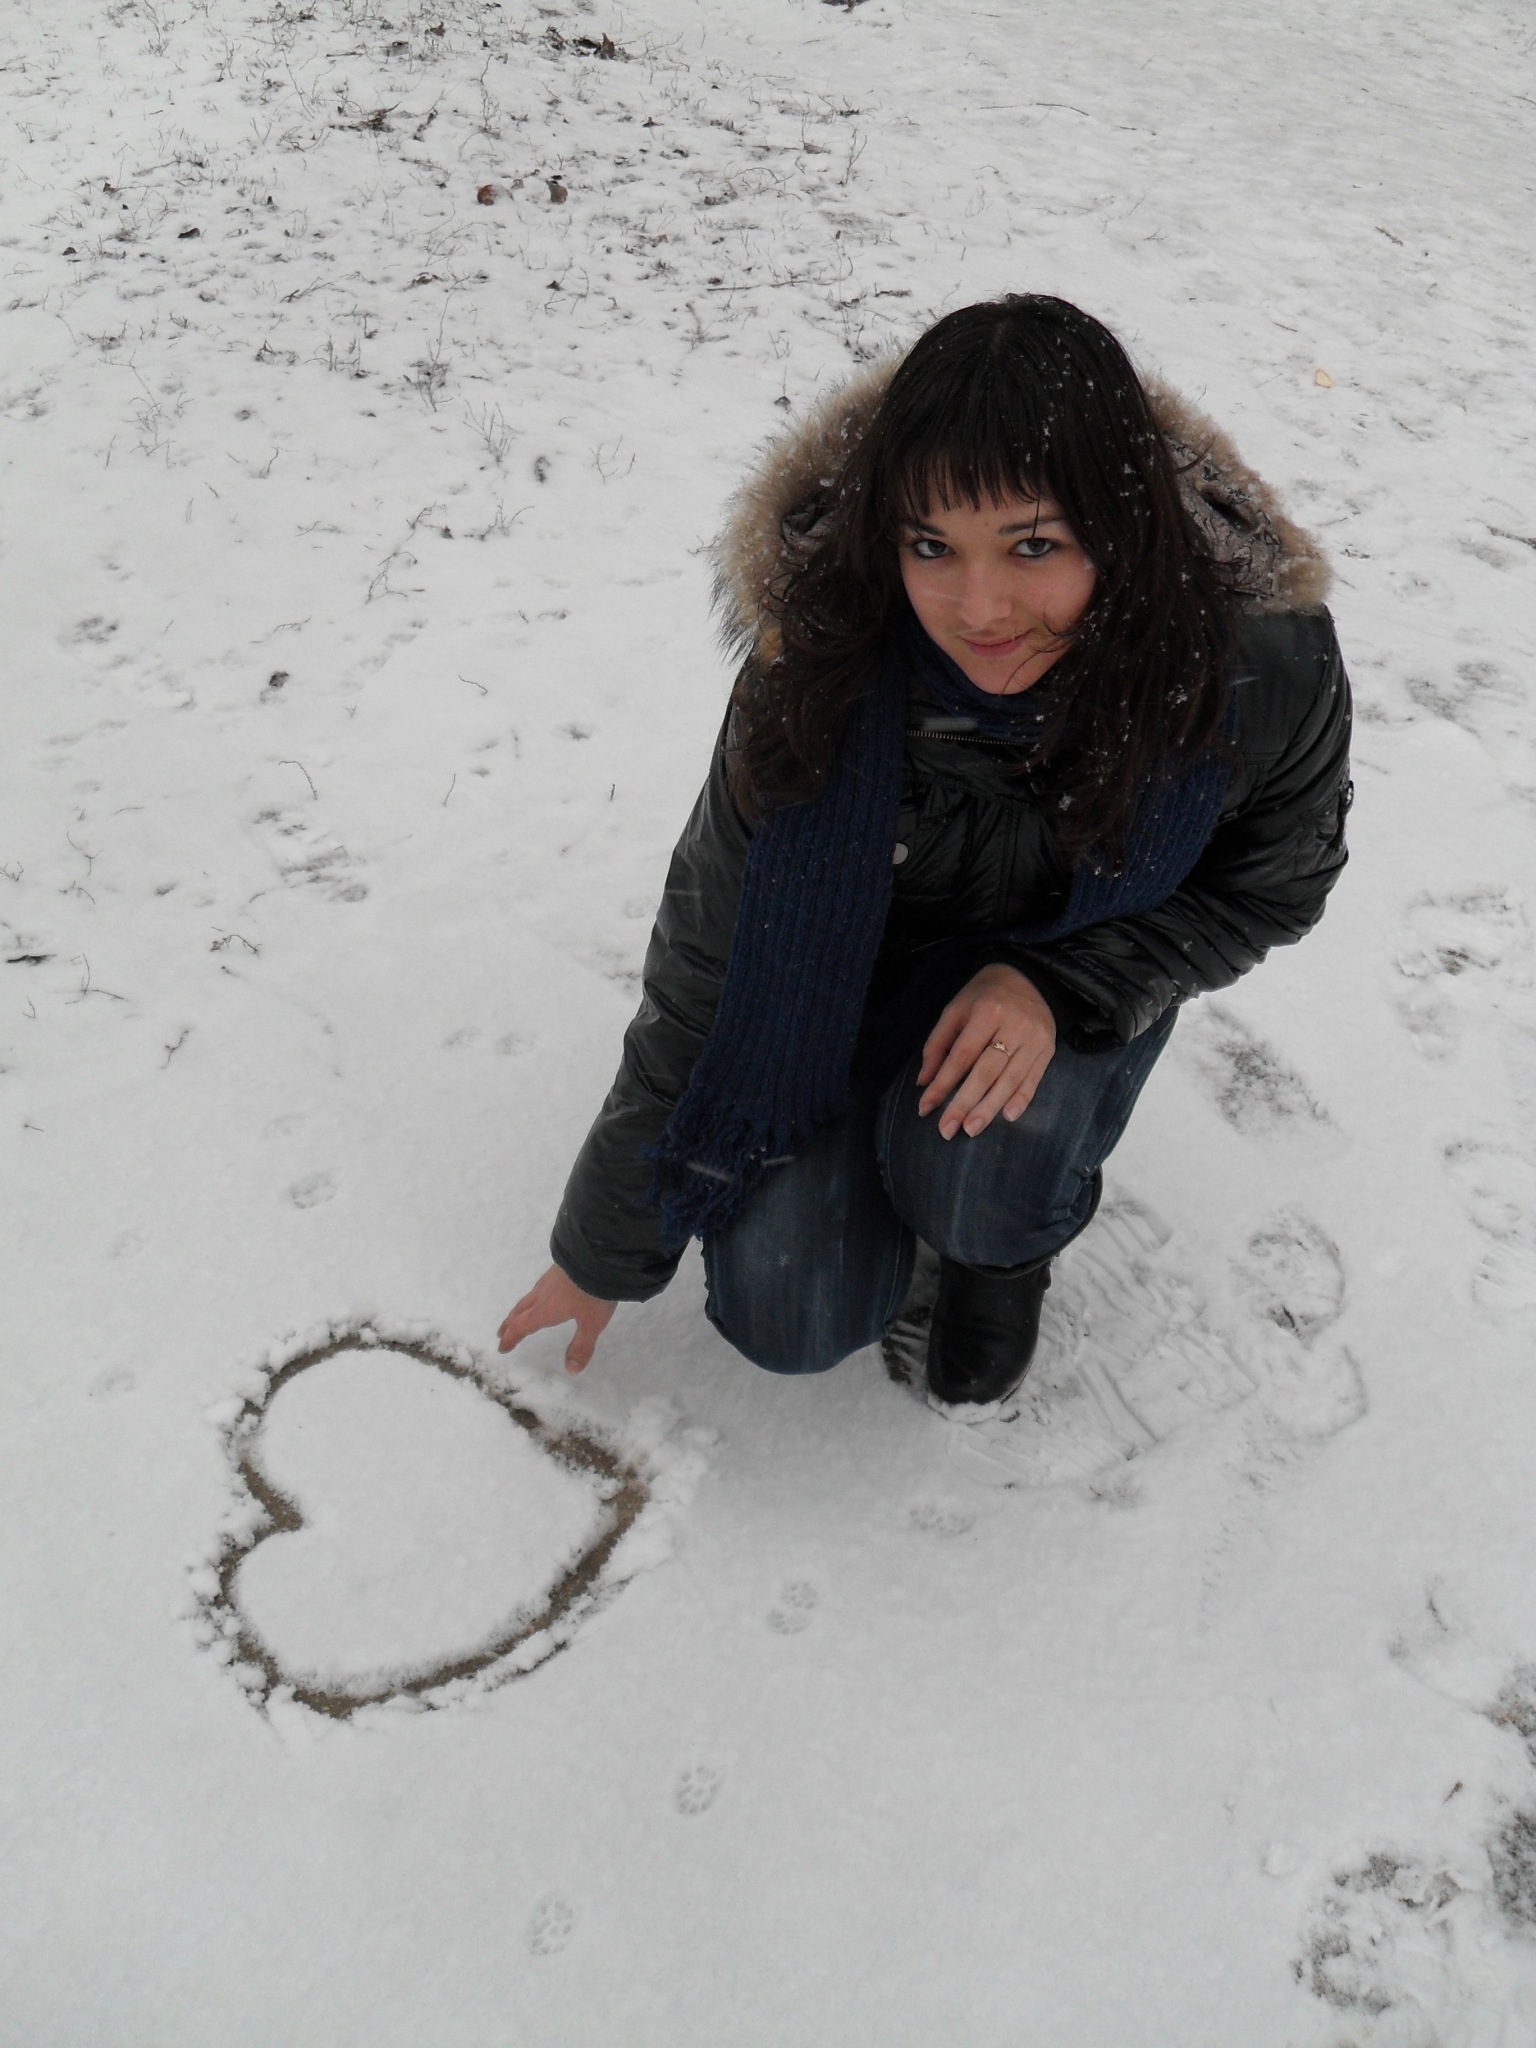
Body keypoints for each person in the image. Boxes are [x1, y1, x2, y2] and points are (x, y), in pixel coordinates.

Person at [497, 294, 1351, 1413]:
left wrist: (1059, 985)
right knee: (787, 1313)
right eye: (931, 546)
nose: (980, 606)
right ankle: (883, 1153)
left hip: (1083, 977)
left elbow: (1273, 884)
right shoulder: (824, 661)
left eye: (1034, 544)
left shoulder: (1257, 662)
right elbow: (710, 956)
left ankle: (1001, 1248)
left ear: (1123, 526)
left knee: (987, 1160)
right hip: (846, 992)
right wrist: (601, 1249)